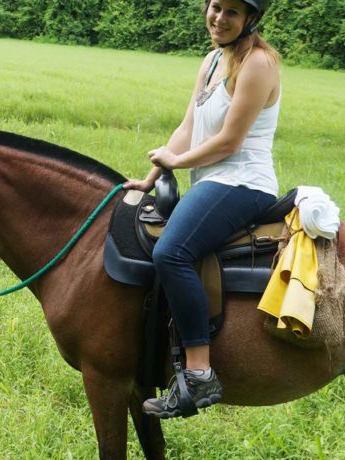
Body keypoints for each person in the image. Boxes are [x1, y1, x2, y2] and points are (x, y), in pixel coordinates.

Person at [123, 0, 282, 418]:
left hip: (243, 183)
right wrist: (153, 175)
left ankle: (198, 375)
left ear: (250, 18)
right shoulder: (213, 60)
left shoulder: (259, 64)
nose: (219, 18)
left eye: (232, 11)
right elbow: (188, 128)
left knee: (171, 252)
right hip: (213, 181)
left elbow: (230, 142)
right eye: (215, 6)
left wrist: (178, 162)